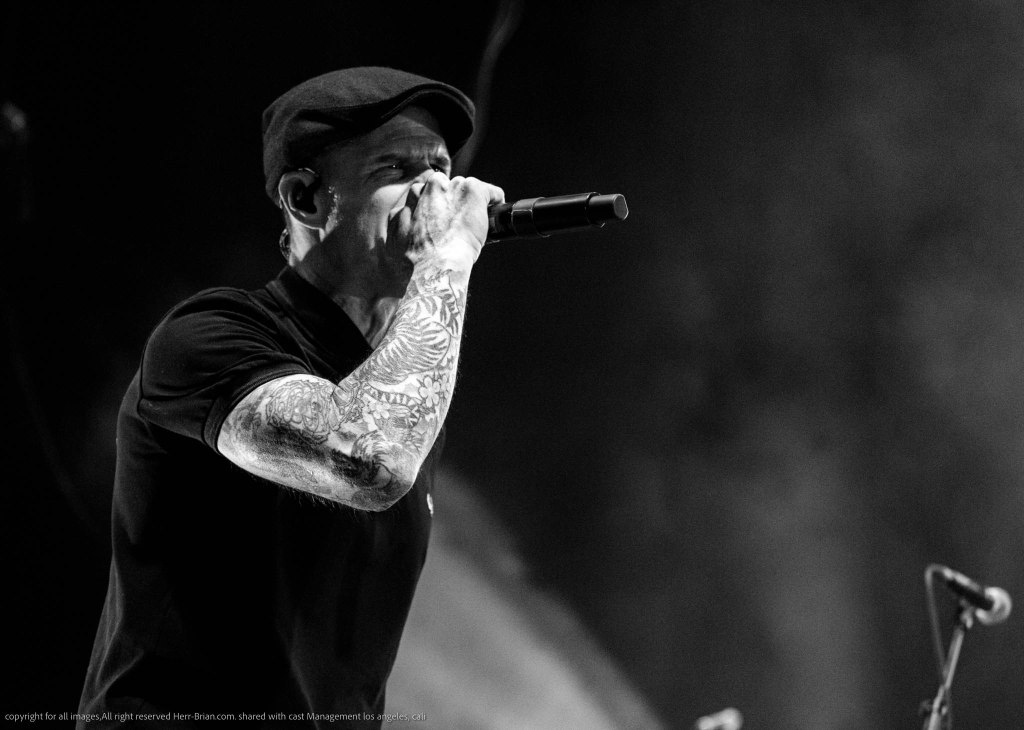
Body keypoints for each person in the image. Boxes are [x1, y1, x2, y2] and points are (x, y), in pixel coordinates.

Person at [78, 67, 503, 728]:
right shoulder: (209, 338)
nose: (437, 194)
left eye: (442, 169)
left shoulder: (405, 394)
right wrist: (448, 257)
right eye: (397, 169)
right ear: (305, 198)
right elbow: (371, 459)